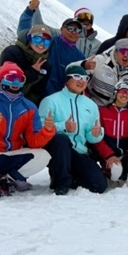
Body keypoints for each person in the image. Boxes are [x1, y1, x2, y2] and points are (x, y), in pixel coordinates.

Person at [0, 62, 55, 201]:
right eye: (11, 78)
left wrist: (47, 131)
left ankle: (6, 180)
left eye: (20, 79)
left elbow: (33, 142)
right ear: (1, 80)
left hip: (10, 155)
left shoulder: (29, 106)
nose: (16, 82)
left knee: (43, 156)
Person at [39, 64, 107, 195]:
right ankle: (60, 182)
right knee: (60, 139)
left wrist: (96, 134)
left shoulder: (91, 105)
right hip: (57, 152)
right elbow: (40, 127)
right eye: (76, 77)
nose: (81, 81)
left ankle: (70, 177)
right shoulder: (51, 101)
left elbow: (91, 137)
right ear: (67, 80)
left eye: (85, 78)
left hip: (79, 152)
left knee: (99, 185)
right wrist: (63, 126)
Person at [0, 24, 52, 105]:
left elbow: (36, 92)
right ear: (29, 39)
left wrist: (26, 108)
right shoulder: (13, 52)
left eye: (46, 41)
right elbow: (6, 81)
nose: (41, 44)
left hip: (14, 102)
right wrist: (32, 72)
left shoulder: (46, 65)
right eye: (37, 39)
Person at [94, 81, 128, 188]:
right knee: (115, 174)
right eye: (122, 91)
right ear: (115, 93)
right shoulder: (103, 111)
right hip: (110, 154)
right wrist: (109, 155)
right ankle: (111, 175)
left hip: (126, 154)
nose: (125, 95)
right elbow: (98, 138)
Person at [87, 38, 128, 107]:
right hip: (92, 105)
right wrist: (84, 65)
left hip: (114, 113)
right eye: (122, 51)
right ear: (115, 52)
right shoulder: (100, 60)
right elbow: (73, 69)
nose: (125, 55)